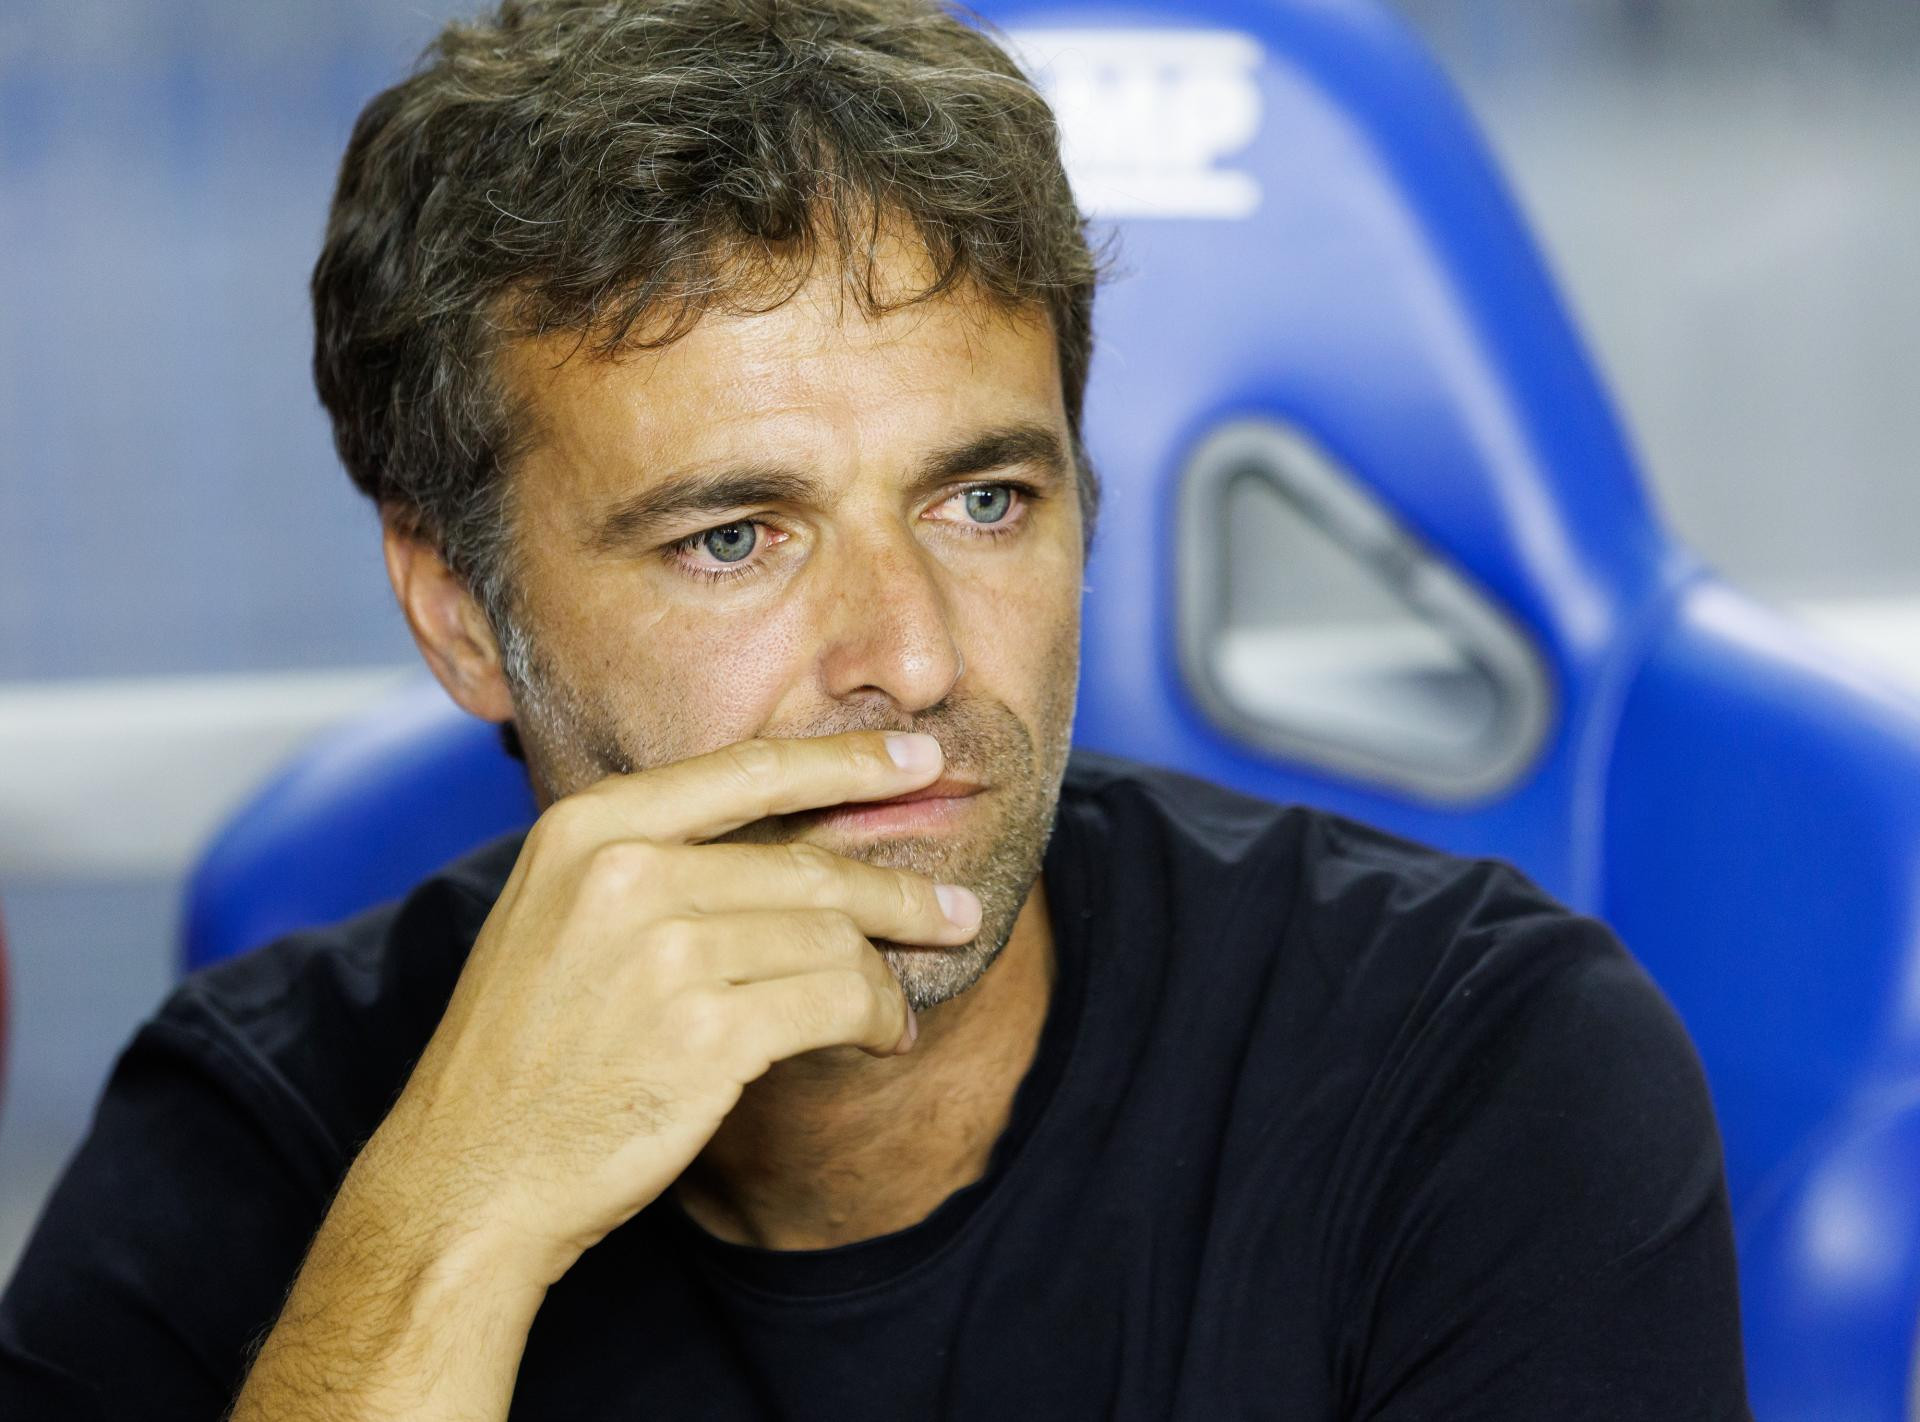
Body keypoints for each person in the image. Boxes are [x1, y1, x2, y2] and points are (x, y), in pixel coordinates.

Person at [0, 1, 1751, 1416]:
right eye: (735, 537)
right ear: (461, 614)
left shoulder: (1483, 1079)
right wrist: (450, 1232)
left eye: (983, 500)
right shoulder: (251, 1142)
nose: (909, 659)